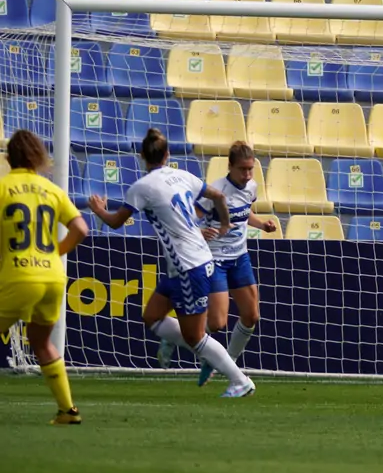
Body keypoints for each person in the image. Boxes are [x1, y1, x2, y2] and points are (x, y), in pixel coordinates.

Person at [89, 128, 256, 398]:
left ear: (142, 156)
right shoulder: (182, 175)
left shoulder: (141, 187)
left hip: (189, 266)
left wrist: (98, 209)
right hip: (187, 263)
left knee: (195, 337)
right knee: (152, 316)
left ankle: (239, 380)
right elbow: (218, 196)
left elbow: (116, 222)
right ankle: (200, 351)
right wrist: (225, 223)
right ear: (167, 155)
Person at [0, 130, 90, 424]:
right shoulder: (51, 190)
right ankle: (67, 410)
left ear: (8, 158)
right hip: (53, 276)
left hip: (19, 273)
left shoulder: (3, 187)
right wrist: (54, 252)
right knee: (41, 341)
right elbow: (81, 229)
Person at [191, 141, 275, 387]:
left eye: (251, 169)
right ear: (230, 166)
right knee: (217, 324)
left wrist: (261, 225)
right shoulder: (215, 191)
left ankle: (225, 360)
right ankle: (182, 331)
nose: (247, 175)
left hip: (240, 258)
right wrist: (200, 231)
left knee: (251, 315)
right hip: (215, 260)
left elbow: (244, 212)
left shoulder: (251, 187)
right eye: (243, 169)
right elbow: (187, 220)